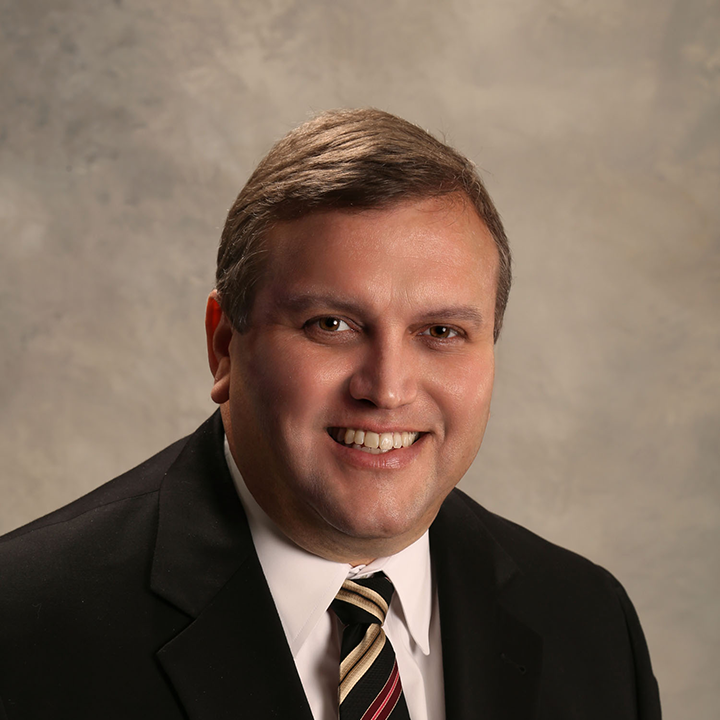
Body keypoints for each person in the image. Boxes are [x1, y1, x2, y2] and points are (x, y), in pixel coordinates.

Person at [0, 109, 661, 719]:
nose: (388, 389)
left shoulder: (589, 624)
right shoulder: (24, 626)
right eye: (332, 324)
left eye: (441, 332)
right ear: (224, 345)